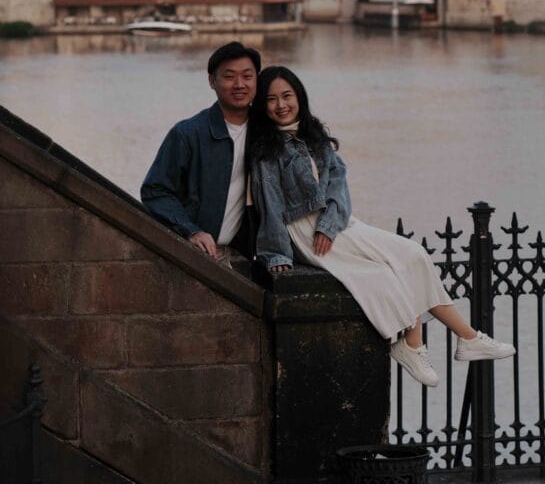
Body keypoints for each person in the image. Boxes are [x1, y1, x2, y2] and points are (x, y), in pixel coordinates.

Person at [249, 65, 515, 388]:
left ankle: (465, 339)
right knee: (384, 273)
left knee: (413, 254)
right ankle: (412, 343)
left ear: (299, 97)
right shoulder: (267, 150)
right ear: (262, 105)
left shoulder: (314, 135)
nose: (281, 105)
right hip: (304, 231)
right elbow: (271, 205)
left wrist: (330, 223)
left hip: (336, 223)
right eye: (272, 99)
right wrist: (278, 254)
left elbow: (338, 183)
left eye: (287, 96)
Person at [141, 40, 260, 260]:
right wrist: (191, 230)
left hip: (246, 256)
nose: (239, 84)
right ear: (211, 81)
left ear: (257, 80)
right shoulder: (187, 134)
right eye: (229, 76)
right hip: (197, 254)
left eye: (247, 76)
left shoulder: (266, 132)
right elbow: (155, 191)